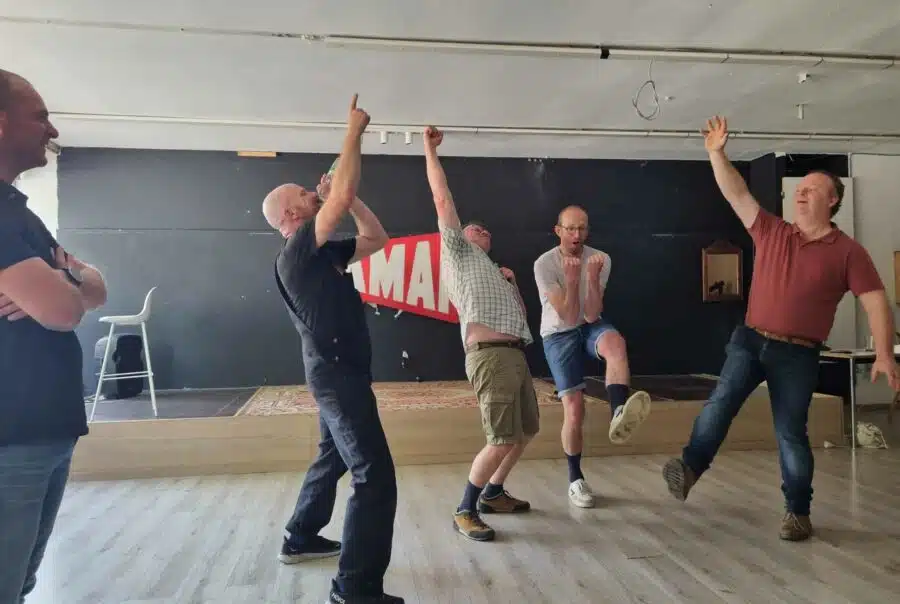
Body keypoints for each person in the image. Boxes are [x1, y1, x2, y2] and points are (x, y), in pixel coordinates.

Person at [662, 116, 900, 541]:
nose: (801, 194)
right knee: (719, 404)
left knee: (791, 434)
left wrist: (883, 353)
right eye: (799, 189)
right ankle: (690, 468)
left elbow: (876, 301)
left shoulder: (848, 253)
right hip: (751, 340)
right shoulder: (772, 230)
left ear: (833, 200)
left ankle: (798, 512)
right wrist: (716, 154)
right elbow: (737, 193)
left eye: (812, 190)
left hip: (798, 353)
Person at [262, 94, 402, 604]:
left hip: (338, 374)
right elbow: (339, 198)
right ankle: (354, 590)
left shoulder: (321, 253)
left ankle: (300, 536)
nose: (313, 194)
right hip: (337, 377)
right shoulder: (296, 251)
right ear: (291, 212)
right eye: (306, 194)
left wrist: (348, 200)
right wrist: (353, 132)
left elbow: (377, 238)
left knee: (333, 455)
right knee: (374, 476)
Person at [0, 69, 108, 603]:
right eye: (40, 116)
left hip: (42, 433)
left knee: (20, 582)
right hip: (12, 438)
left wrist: (59, 281)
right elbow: (66, 310)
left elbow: (95, 287)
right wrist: (65, 282)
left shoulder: (19, 214)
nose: (52, 129)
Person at [422, 126, 539, 542]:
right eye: (474, 229)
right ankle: (465, 509)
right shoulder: (457, 251)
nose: (481, 231)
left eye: (486, 231)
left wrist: (514, 284)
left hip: (515, 353)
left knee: (525, 432)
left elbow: (523, 319)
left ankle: (493, 493)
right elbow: (442, 197)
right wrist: (430, 151)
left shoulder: (497, 272)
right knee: (500, 437)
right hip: (490, 355)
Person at [534, 205, 652, 508]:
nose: (577, 234)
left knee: (616, 344)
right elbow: (568, 314)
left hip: (588, 324)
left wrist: (592, 276)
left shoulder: (601, 259)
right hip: (558, 332)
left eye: (582, 228)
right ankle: (575, 479)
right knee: (574, 409)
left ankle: (618, 412)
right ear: (558, 231)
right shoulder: (544, 264)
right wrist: (573, 279)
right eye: (570, 228)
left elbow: (590, 314)